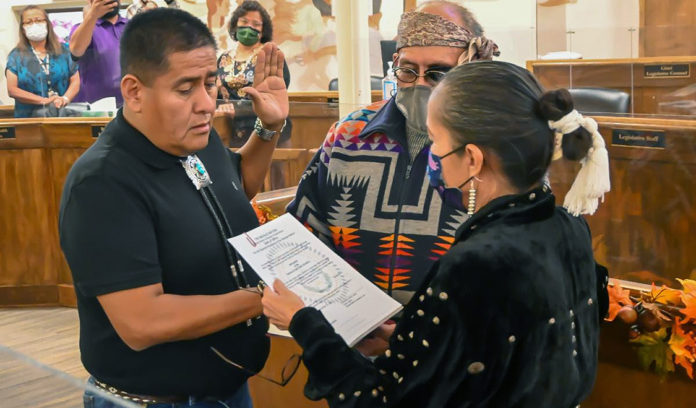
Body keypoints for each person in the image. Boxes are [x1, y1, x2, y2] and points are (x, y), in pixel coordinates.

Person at [262, 60, 611, 407]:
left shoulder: (475, 263)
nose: (432, 156)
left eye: (435, 140)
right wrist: (408, 340)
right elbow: (508, 352)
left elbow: (379, 401)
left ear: (472, 159)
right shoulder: (569, 226)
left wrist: (303, 322)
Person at [59, 8, 288, 407]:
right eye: (185, 89)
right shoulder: (103, 182)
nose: (205, 103)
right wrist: (265, 298)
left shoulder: (192, 136)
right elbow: (143, 322)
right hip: (154, 398)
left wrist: (268, 129)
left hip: (224, 387)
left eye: (210, 83)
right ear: (133, 92)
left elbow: (235, 187)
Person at [287, 3, 499, 308]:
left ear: (471, 71)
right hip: (349, 337)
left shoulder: (496, 145)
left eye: (437, 74)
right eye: (408, 71)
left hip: (451, 344)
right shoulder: (348, 136)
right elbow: (306, 232)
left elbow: (514, 261)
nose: (420, 85)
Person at [217, 0, 291, 145]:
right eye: (244, 21)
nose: (249, 27)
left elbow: (276, 93)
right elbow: (216, 92)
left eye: (256, 24)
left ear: (263, 30)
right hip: (232, 131)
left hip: (267, 128)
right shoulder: (223, 58)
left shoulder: (271, 56)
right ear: (235, 24)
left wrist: (238, 109)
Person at [5, 5, 79, 118]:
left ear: (47, 24)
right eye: (28, 22)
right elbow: (12, 90)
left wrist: (65, 99)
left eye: (39, 20)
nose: (34, 24)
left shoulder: (64, 51)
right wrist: (44, 100)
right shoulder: (16, 56)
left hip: (62, 115)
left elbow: (75, 80)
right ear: (22, 28)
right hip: (28, 120)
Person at [69, 0, 127, 106]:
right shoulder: (83, 29)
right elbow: (76, 51)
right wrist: (92, 15)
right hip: (96, 108)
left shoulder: (133, 26)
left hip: (132, 105)